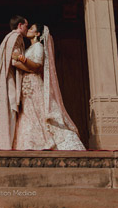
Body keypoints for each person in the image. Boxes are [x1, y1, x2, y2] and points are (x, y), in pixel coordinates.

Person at [11, 23, 85, 151]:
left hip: (34, 84)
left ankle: (45, 141)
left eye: (31, 29)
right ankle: (29, 142)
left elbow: (37, 66)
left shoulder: (38, 46)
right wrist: (17, 63)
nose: (28, 30)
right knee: (28, 113)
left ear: (37, 34)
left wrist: (20, 60)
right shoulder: (29, 49)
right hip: (27, 83)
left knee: (38, 111)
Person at [0, 15, 27, 150]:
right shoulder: (16, 37)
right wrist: (32, 68)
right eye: (26, 26)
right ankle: (6, 145)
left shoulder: (7, 37)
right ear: (20, 25)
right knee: (10, 110)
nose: (27, 29)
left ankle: (3, 144)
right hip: (9, 79)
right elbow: (15, 61)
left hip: (5, 78)